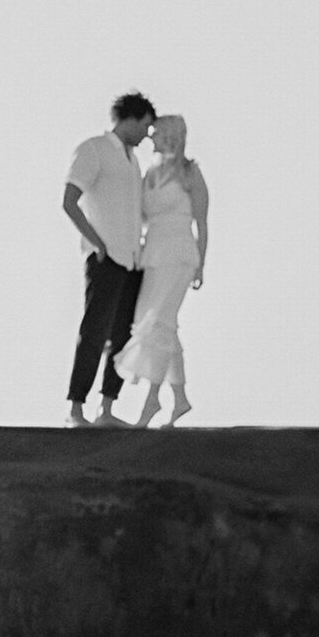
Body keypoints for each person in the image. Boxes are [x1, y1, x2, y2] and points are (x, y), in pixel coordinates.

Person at [62, 92, 157, 428]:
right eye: (145, 126)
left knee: (122, 336)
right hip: (106, 257)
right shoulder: (94, 150)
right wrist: (97, 243)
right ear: (131, 118)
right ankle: (75, 409)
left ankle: (106, 408)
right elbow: (70, 200)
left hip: (133, 259)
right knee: (94, 331)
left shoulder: (134, 161)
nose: (147, 135)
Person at [114, 114, 208, 428]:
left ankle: (152, 401)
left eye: (156, 134)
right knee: (152, 323)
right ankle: (179, 399)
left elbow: (202, 222)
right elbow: (136, 214)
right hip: (152, 253)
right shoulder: (151, 173)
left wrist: (201, 264)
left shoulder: (190, 173)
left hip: (180, 253)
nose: (151, 139)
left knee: (161, 323)